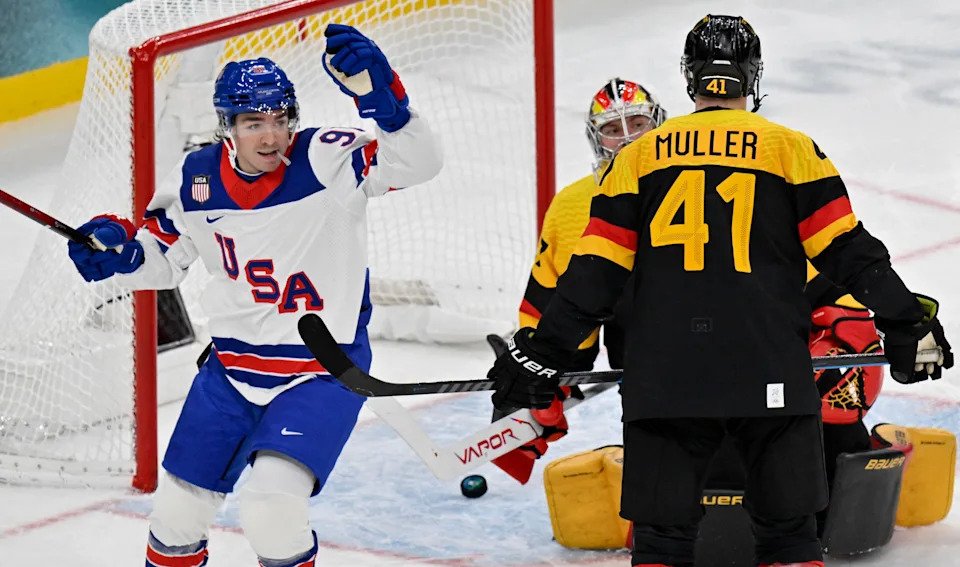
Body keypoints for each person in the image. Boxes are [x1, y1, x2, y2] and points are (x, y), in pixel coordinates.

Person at [485, 13, 951, 567]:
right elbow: (848, 253)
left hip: (665, 380)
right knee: (791, 541)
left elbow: (595, 275)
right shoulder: (790, 148)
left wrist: (541, 354)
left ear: (690, 76)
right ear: (753, 75)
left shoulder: (636, 159)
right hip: (771, 372)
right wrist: (907, 320)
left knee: (662, 545)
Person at [67, 25, 442, 567]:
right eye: (253, 123)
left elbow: (421, 163)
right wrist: (119, 256)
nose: (271, 137)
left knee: (271, 512)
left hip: (322, 371)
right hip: (229, 373)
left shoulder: (328, 159)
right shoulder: (195, 178)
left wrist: (388, 103)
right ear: (228, 127)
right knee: (174, 521)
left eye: (279, 119)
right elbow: (161, 259)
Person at [491, 78, 667, 484]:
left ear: (658, 123)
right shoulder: (573, 204)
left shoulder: (703, 177)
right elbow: (555, 290)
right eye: (612, 128)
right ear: (595, 138)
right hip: (642, 360)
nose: (627, 138)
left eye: (637, 123)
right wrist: (544, 363)